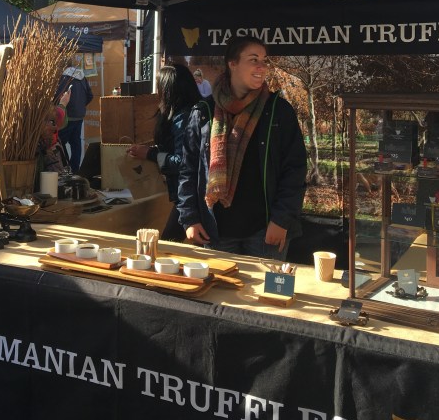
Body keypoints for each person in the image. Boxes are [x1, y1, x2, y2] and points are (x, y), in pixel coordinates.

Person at [178, 36, 306, 259]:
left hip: (265, 232)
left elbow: (295, 169)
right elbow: (188, 170)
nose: (261, 67)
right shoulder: (203, 112)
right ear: (232, 63)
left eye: (264, 60)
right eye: (253, 60)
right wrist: (190, 218)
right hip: (215, 231)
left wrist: (281, 219)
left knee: (264, 284)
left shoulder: (278, 111)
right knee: (219, 283)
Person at [127, 64, 199, 242]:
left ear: (167, 90)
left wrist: (150, 154)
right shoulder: (190, 112)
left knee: (169, 244)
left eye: (159, 87)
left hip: (191, 195)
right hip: (191, 193)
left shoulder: (183, 117)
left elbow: (182, 162)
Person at [56, 57, 93, 173]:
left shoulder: (64, 77)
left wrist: (60, 109)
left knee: (60, 142)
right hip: (79, 115)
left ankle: (66, 167)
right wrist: (81, 106)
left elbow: (58, 96)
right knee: (76, 143)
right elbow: (90, 95)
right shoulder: (81, 76)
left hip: (67, 115)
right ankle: (75, 169)